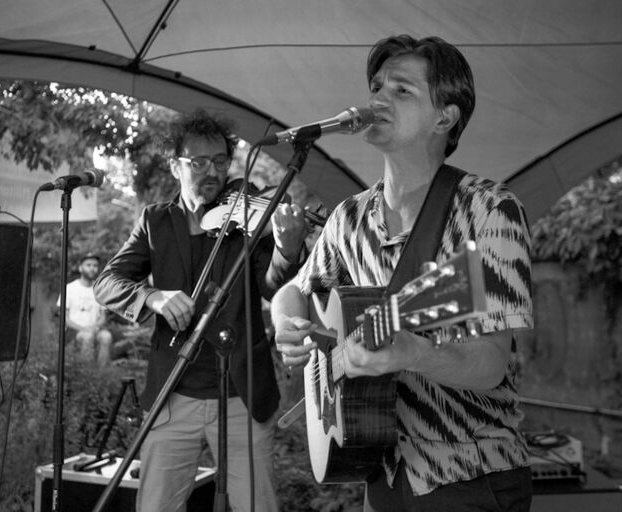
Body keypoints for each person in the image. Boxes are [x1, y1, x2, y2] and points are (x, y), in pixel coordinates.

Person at [271, 35, 533, 512]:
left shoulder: (491, 211)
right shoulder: (349, 217)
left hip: (469, 476)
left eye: (401, 90)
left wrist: (416, 352)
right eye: (376, 86)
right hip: (383, 470)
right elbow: (294, 288)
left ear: (445, 117)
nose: (377, 99)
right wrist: (286, 324)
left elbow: (493, 364)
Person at [93, 108, 308, 512]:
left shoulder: (246, 216)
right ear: (176, 166)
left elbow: (274, 284)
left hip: (242, 394)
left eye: (221, 161)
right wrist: (152, 297)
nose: (213, 171)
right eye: (199, 162)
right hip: (174, 395)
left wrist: (288, 247)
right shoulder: (155, 221)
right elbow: (107, 283)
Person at [57, 252, 122, 367]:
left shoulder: (100, 290)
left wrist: (95, 327)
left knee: (106, 336)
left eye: (95, 266)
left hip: (95, 329)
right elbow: (64, 318)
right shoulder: (69, 288)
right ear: (80, 268)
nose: (92, 268)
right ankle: (86, 373)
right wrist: (84, 329)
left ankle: (101, 375)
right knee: (87, 336)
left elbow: (103, 317)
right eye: (88, 265)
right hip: (74, 331)